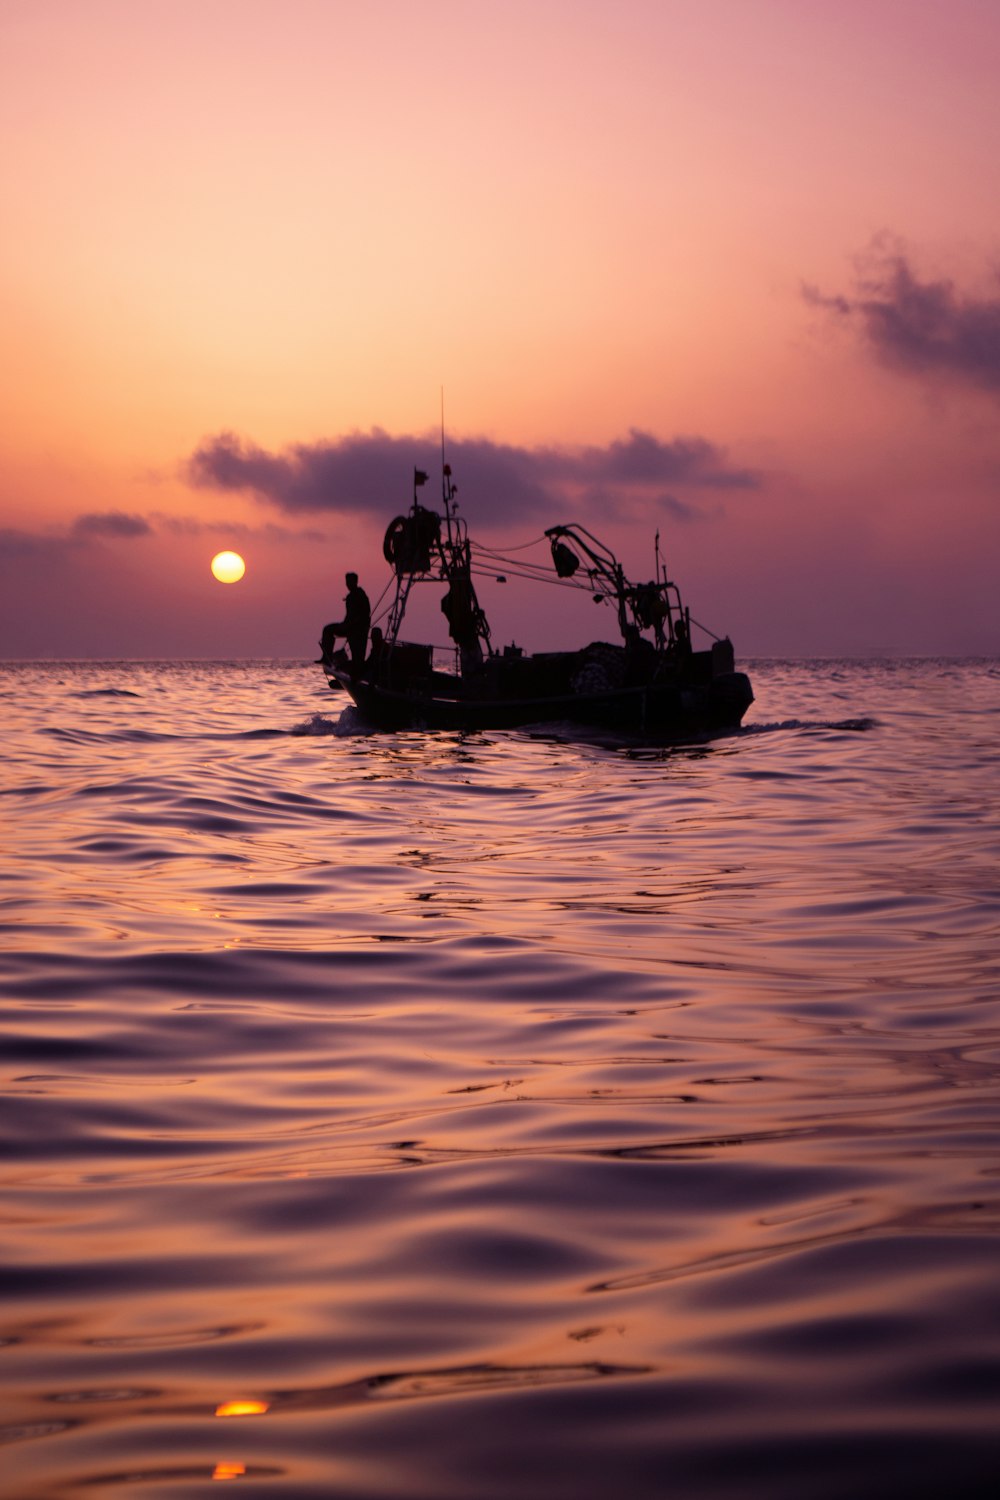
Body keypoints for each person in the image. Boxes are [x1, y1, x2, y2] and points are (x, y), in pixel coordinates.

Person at [319, 572, 371, 672]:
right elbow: (349, 616)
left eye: (350, 581)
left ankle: (357, 671)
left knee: (358, 656)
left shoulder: (360, 595)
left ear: (355, 582)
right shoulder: (351, 596)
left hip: (357, 629)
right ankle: (327, 658)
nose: (347, 584)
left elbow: (364, 614)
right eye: (346, 582)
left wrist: (350, 625)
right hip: (348, 627)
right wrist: (345, 624)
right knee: (328, 629)